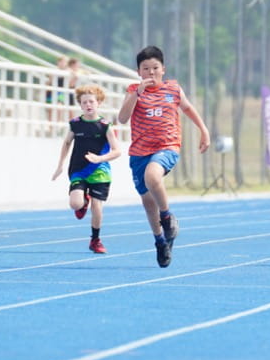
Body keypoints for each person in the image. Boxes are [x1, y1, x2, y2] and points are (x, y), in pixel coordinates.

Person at [116, 45, 210, 268]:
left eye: (155, 68)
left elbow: (187, 109)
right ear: (139, 72)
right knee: (149, 203)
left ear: (163, 69)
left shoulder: (173, 89)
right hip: (139, 152)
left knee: (153, 176)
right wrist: (137, 94)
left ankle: (167, 217)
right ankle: (160, 241)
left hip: (167, 147)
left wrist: (203, 130)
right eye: (145, 68)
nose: (151, 72)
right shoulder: (133, 90)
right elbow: (121, 118)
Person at [52, 83, 121, 254]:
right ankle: (83, 201)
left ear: (98, 103)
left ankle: (95, 240)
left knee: (97, 207)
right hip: (78, 169)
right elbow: (67, 143)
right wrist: (60, 165)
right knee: (75, 204)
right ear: (80, 105)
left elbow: (117, 151)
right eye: (84, 103)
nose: (88, 105)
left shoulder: (105, 126)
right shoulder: (75, 124)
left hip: (100, 171)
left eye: (91, 101)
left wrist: (100, 158)